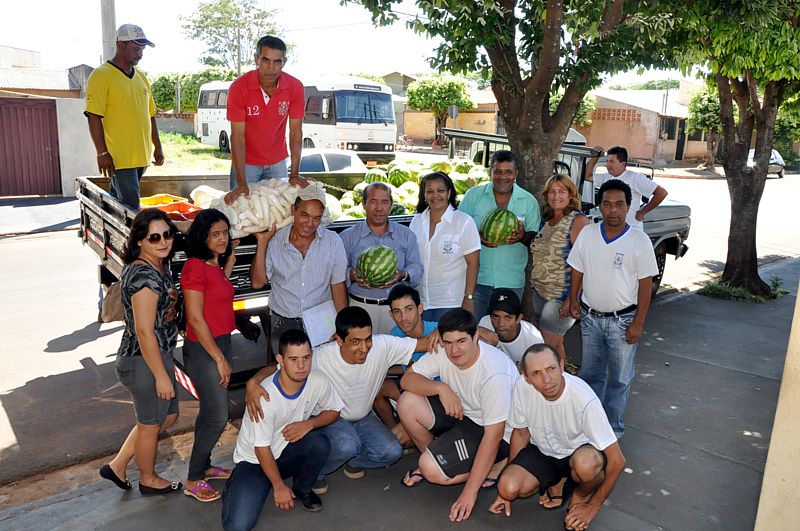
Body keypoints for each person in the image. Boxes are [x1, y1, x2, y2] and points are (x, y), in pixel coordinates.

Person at [245, 306, 429, 494]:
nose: (364, 348)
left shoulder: (383, 346)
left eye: (368, 339)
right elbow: (280, 366)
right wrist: (253, 382)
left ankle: (351, 460)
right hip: (330, 419)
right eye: (356, 341)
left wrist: (454, 324)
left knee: (392, 452)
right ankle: (314, 472)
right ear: (339, 340)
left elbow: (426, 343)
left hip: (363, 418)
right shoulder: (322, 355)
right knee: (347, 444)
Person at [398, 309, 519, 522]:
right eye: (449, 342)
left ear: (476, 337)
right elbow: (407, 380)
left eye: (462, 341)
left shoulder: (493, 373)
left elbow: (494, 436)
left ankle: (491, 465)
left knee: (430, 469)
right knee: (407, 402)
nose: (455, 350)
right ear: (442, 341)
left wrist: (469, 493)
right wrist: (441, 388)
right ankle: (439, 455)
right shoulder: (443, 350)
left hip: (494, 432)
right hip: (463, 413)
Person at [489, 344, 626, 531]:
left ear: (562, 366)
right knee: (508, 487)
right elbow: (520, 433)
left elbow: (618, 461)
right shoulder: (522, 388)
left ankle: (580, 494)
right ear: (526, 377)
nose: (547, 379)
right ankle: (559, 481)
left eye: (551, 369)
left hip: (577, 453)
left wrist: (591, 507)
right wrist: (509, 475)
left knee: (587, 465)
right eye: (536, 373)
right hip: (543, 451)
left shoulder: (584, 399)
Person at [221, 330, 343, 531]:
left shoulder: (318, 380)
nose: (301, 366)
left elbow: (334, 410)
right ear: (281, 360)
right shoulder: (265, 398)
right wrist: (278, 487)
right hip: (255, 461)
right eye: (293, 359)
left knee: (319, 443)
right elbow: (262, 449)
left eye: (306, 358)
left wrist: (308, 424)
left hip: (285, 449)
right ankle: (239, 484)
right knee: (238, 526)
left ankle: (302, 488)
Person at [98, 209, 182, 495]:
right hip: (143, 360)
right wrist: (160, 375)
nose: (163, 241)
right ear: (139, 241)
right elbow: (144, 331)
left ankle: (118, 465)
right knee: (150, 423)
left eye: (167, 234)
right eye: (154, 237)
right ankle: (148, 478)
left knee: (167, 416)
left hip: (156, 355)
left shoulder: (158, 264)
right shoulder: (144, 275)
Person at [567, 179, 659, 438]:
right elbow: (577, 268)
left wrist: (639, 322)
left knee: (620, 378)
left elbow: (645, 285)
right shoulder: (588, 234)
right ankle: (589, 427)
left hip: (623, 321)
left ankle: (612, 431)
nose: (613, 210)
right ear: (600, 207)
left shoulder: (639, 241)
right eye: (607, 204)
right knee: (590, 375)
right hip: (590, 317)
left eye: (619, 204)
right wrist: (573, 299)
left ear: (629, 206)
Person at [180, 209, 240, 502]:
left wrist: (227, 264)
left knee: (208, 412)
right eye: (215, 234)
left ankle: (203, 466)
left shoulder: (213, 265)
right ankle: (193, 478)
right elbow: (194, 318)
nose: (222, 238)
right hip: (204, 349)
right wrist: (218, 357)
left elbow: (218, 296)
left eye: (225, 233)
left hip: (221, 342)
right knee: (218, 416)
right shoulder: (194, 267)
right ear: (202, 236)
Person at [250, 185, 348, 357]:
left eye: (316, 218)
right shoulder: (275, 242)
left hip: (321, 321)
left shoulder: (333, 242)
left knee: (321, 371)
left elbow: (338, 287)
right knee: (286, 376)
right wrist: (262, 242)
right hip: (283, 321)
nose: (310, 224)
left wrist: (344, 327)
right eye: (304, 215)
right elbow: (258, 282)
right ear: (293, 210)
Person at [85, 24, 164, 210]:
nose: (140, 54)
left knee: (118, 205)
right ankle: (129, 240)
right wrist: (102, 153)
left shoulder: (142, 78)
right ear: (120, 45)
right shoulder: (101, 75)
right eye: (136, 49)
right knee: (131, 209)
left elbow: (150, 115)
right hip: (120, 159)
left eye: (142, 49)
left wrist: (158, 146)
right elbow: (93, 116)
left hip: (141, 157)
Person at [459, 150, 541, 319]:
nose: (503, 177)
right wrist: (477, 237)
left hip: (510, 281)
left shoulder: (528, 201)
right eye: (497, 171)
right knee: (473, 330)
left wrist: (522, 236)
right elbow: (458, 231)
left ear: (516, 173)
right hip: (476, 280)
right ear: (490, 172)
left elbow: (535, 238)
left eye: (508, 172)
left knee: (504, 333)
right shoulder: (473, 196)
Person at [225, 35, 306, 205]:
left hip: (278, 162)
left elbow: (296, 131)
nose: (271, 68)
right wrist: (241, 182)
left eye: (277, 61)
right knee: (241, 211)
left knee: (278, 211)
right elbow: (237, 136)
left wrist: (294, 174)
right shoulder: (239, 87)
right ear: (256, 59)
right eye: (265, 60)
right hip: (246, 163)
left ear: (284, 61)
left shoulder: (295, 87)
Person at [339, 182, 423, 334]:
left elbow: (417, 268)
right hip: (360, 308)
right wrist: (352, 275)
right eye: (373, 202)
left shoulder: (406, 235)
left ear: (391, 205)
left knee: (395, 356)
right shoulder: (347, 237)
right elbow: (336, 274)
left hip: (396, 312)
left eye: (384, 202)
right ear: (363, 204)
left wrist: (401, 275)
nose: (379, 208)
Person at [529, 174, 590, 363]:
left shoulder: (577, 221)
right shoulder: (546, 221)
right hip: (540, 293)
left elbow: (584, 264)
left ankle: (549, 390)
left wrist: (571, 300)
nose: (556, 196)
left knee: (544, 352)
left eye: (562, 191)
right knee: (556, 346)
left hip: (560, 297)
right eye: (552, 192)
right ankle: (566, 385)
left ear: (571, 195)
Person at [372, 284, 439, 446]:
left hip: (437, 397)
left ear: (420, 308)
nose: (403, 317)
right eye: (397, 311)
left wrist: (447, 328)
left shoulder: (439, 329)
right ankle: (398, 428)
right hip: (410, 391)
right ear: (391, 314)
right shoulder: (395, 334)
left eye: (409, 309)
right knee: (376, 388)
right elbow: (402, 364)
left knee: (393, 442)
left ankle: (423, 437)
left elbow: (485, 335)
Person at [410, 172, 480, 321]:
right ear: (424, 195)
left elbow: (473, 263)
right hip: (420, 303)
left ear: (449, 193)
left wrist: (468, 298)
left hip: (451, 303)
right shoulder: (416, 222)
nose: (435, 195)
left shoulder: (464, 222)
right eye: (430, 191)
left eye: (440, 190)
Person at [584, 145, 668, 231]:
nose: (607, 165)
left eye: (612, 162)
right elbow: (587, 176)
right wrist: (596, 156)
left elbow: (661, 193)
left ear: (623, 164)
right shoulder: (606, 177)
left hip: (632, 230)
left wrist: (643, 211)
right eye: (607, 161)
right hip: (612, 230)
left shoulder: (635, 178)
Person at [477, 289, 544, 364]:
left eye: (508, 317)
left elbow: (538, 366)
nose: (501, 324)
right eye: (495, 316)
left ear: (519, 318)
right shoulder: (486, 323)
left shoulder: (532, 337)